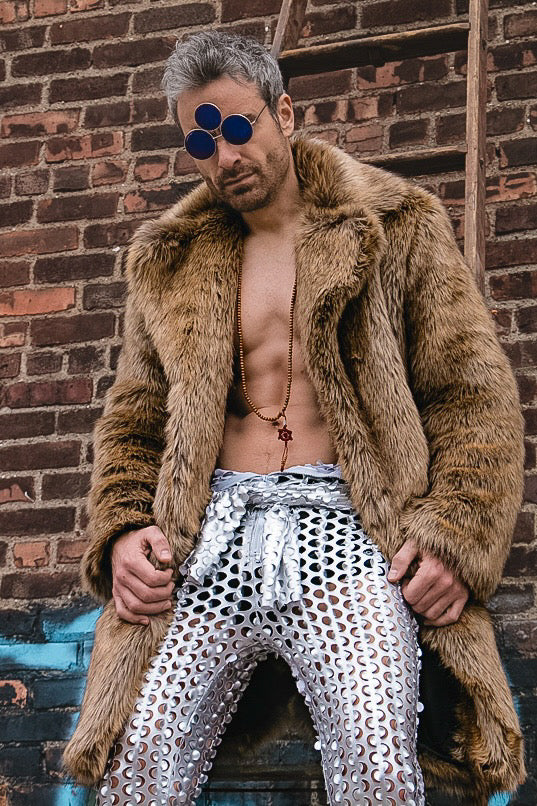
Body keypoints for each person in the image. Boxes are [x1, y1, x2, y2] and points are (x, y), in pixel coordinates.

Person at [64, 30, 525, 805]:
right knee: (137, 765)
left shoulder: (394, 224)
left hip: (346, 533)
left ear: (283, 112)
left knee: (376, 762)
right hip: (206, 539)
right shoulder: (171, 257)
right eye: (201, 142)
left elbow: (471, 395)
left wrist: (455, 536)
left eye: (237, 127)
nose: (224, 156)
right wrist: (122, 530)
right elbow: (136, 417)